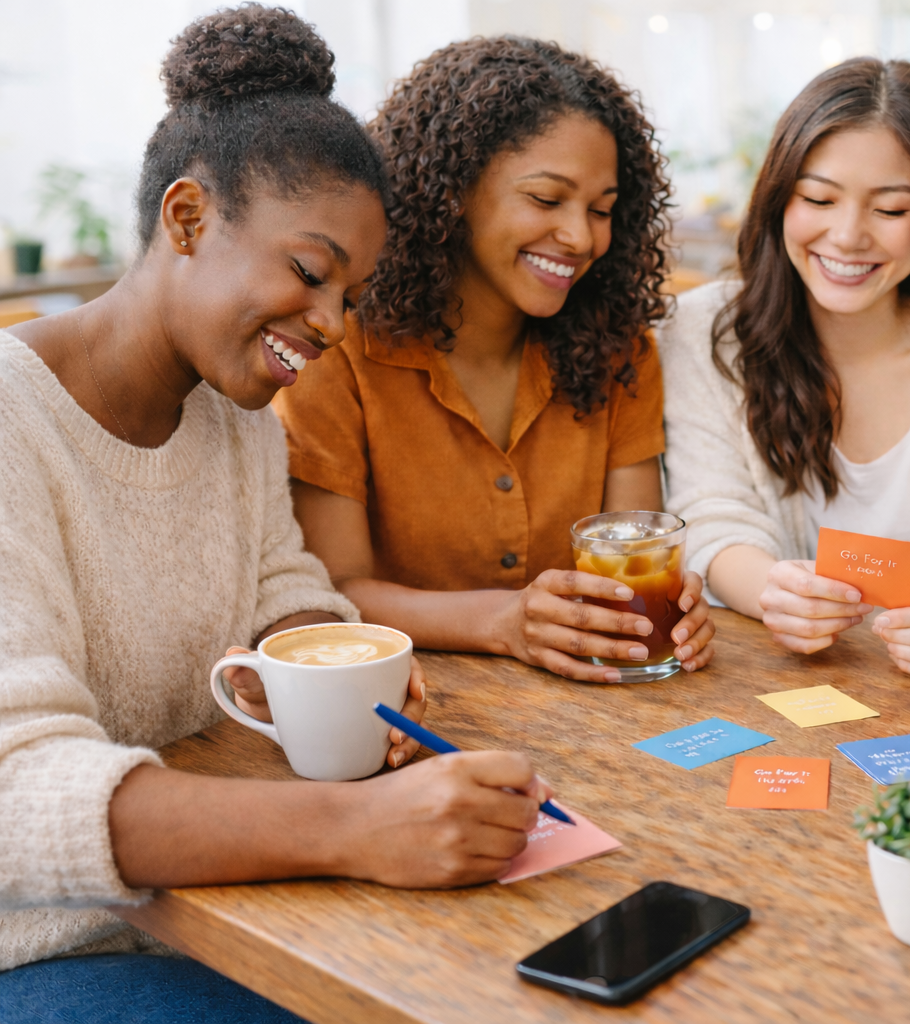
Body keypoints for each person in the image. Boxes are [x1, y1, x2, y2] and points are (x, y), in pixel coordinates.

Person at [0, 9, 551, 1019]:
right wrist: (360, 829)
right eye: (309, 272)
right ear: (187, 219)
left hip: (221, 912)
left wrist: (334, 673)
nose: (332, 325)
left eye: (351, 295)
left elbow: (282, 586)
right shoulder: (10, 419)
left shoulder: (236, 414)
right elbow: (14, 798)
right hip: (46, 949)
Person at [275, 37, 716, 683]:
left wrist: (672, 609)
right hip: (405, 703)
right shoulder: (337, 350)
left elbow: (633, 556)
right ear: (451, 191)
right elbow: (336, 592)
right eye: (546, 199)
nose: (580, 237)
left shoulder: (619, 350)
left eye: (602, 210)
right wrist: (503, 622)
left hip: (588, 704)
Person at [660, 58, 910, 679]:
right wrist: (772, 591)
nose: (849, 236)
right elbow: (713, 513)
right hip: (756, 682)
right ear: (778, 199)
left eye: (890, 209)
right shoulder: (704, 332)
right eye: (818, 199)